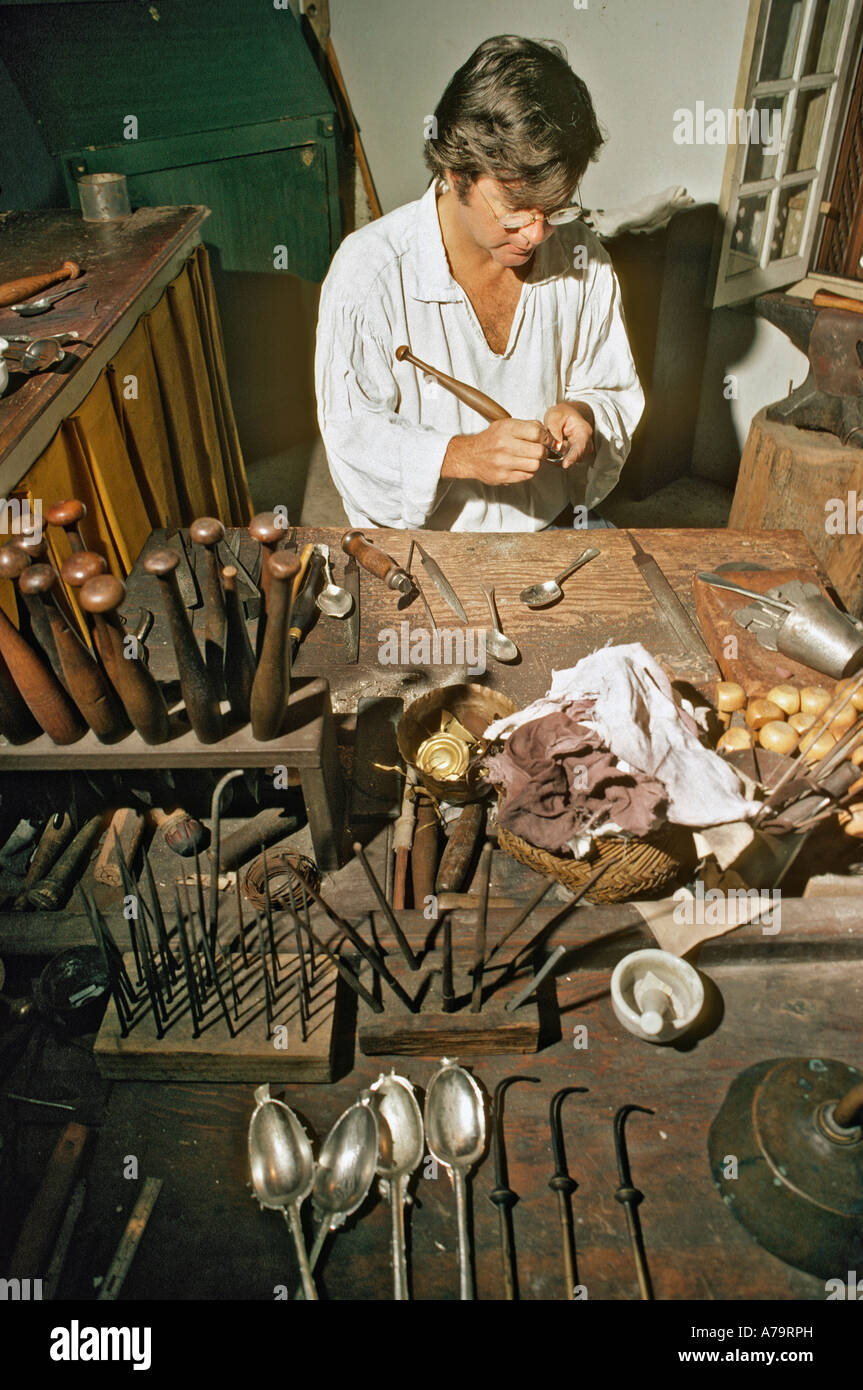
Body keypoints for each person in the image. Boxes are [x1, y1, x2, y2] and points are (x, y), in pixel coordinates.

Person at [315, 34, 644, 532]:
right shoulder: (371, 273)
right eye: (513, 213)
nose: (536, 235)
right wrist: (459, 456)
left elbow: (611, 386)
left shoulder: (581, 256)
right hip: (427, 544)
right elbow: (352, 435)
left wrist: (584, 414)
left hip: (552, 523)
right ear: (455, 171)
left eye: (555, 208)